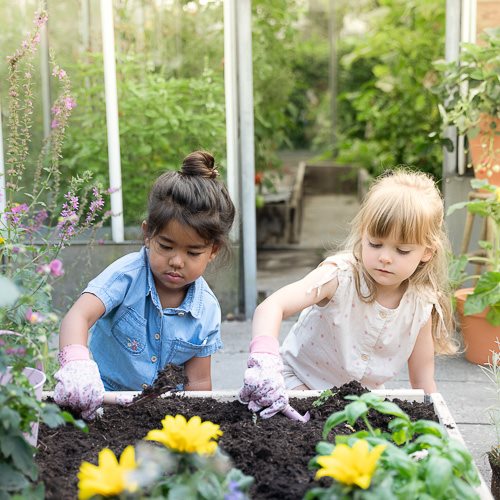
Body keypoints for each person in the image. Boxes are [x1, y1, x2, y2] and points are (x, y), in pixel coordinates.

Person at [239, 169, 458, 419]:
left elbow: (422, 380)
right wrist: (264, 356)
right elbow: (272, 306)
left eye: (402, 250)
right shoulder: (339, 277)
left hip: (357, 404)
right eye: (375, 244)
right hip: (297, 385)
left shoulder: (421, 304)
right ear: (363, 233)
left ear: (427, 252)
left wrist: (436, 427)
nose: (385, 257)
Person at [54, 151, 235, 419]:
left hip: (164, 414)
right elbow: (77, 317)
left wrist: (197, 425)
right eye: (166, 246)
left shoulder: (205, 310)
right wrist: (76, 365)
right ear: (147, 234)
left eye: (193, 253)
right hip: (102, 405)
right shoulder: (126, 276)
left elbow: (198, 384)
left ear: (213, 251)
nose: (176, 261)